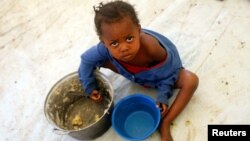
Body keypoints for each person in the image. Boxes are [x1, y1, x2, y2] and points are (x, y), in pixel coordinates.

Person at [78, 1, 199, 141]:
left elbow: (170, 73)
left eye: (129, 38)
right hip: (134, 74)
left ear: (138, 30)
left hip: (162, 75)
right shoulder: (104, 49)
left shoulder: (151, 47)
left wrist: (163, 96)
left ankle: (165, 123)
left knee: (191, 80)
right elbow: (86, 60)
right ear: (103, 42)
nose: (124, 48)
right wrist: (89, 87)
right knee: (95, 63)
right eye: (114, 43)